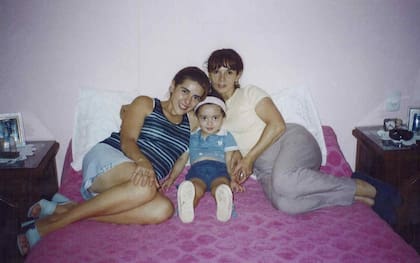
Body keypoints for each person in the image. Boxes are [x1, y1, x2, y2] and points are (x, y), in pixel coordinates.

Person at [17, 66, 211, 256]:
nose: (188, 101)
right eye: (184, 91)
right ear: (172, 86)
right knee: (145, 188)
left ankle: (65, 209)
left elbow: (218, 116)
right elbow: (127, 140)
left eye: (195, 97)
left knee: (164, 209)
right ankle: (51, 224)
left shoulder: (192, 123)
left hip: (139, 182)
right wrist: (144, 163)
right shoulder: (147, 103)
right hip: (110, 158)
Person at [204, 48, 380, 215]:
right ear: (209, 75)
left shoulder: (249, 93)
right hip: (264, 168)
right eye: (216, 71)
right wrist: (234, 173)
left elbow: (277, 125)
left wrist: (249, 158)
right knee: (285, 204)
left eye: (228, 72)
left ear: (238, 75)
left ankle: (354, 185)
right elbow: (232, 150)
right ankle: (348, 195)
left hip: (291, 142)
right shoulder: (212, 112)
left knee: (283, 182)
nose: (221, 78)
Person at [162, 95, 244, 223]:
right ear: (197, 118)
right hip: (197, 170)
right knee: (195, 188)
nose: (210, 123)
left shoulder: (226, 136)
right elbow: (182, 160)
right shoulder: (192, 137)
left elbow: (229, 160)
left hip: (219, 170)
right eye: (204, 118)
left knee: (221, 185)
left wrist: (232, 179)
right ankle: (187, 205)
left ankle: (223, 202)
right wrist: (171, 178)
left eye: (215, 118)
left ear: (223, 118)